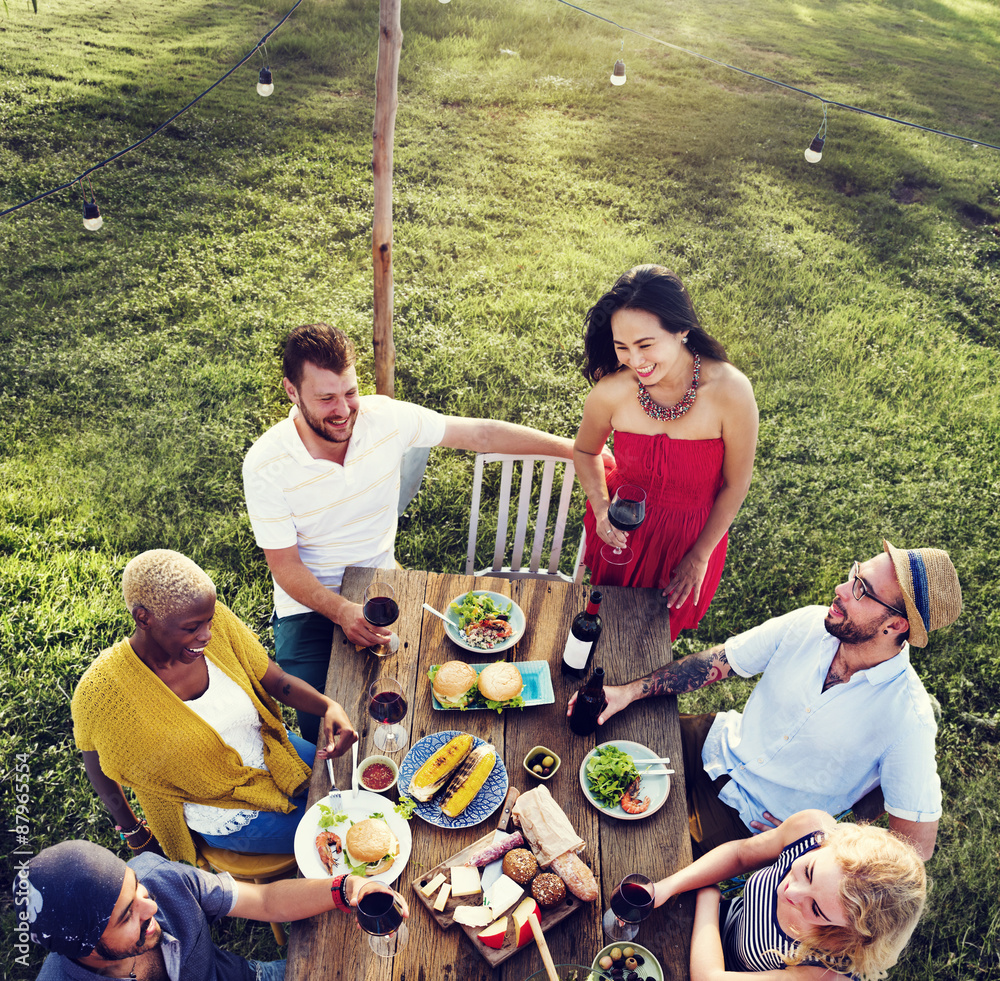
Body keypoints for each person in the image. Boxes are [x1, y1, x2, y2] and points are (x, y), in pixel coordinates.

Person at [243, 321, 611, 742]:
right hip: (306, 605)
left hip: (378, 580)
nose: (343, 411)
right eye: (326, 398)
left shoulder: (386, 419)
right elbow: (285, 568)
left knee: (415, 695)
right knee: (321, 726)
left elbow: (481, 433)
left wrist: (578, 449)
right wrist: (342, 612)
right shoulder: (265, 465)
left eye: (349, 393)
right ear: (292, 391)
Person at [568, 541, 962, 860]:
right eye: (853, 575)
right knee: (586, 751)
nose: (841, 590)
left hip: (748, 825)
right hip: (712, 744)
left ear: (895, 625)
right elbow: (719, 663)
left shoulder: (907, 719)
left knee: (626, 856)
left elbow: (915, 847)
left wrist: (829, 837)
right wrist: (628, 692)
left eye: (861, 589)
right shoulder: (810, 623)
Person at [72, 549, 358, 865]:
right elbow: (96, 764)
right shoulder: (104, 691)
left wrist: (328, 706)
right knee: (342, 838)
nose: (207, 634)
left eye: (208, 621)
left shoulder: (213, 619)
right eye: (192, 627)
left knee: (359, 796)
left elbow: (274, 680)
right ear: (144, 618)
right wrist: (134, 832)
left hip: (274, 751)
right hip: (221, 806)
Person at [574, 265, 758, 641]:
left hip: (688, 539)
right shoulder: (611, 392)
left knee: (653, 638)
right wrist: (600, 509)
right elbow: (585, 450)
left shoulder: (731, 392)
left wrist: (699, 555)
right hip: (622, 529)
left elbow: (736, 484)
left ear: (681, 329)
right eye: (621, 346)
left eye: (645, 344)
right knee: (604, 620)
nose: (634, 361)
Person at [15, 838, 407, 981]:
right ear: (85, 948)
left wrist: (350, 887)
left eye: (137, 890)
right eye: (126, 916)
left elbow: (267, 901)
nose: (151, 905)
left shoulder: (160, 877)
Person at [652, 809, 926, 981]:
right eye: (808, 871)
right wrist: (670, 885)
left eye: (816, 909)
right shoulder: (810, 831)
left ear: (849, 933)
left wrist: (708, 897)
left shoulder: (827, 970)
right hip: (704, 919)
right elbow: (739, 855)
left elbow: (709, 978)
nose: (789, 891)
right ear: (828, 844)